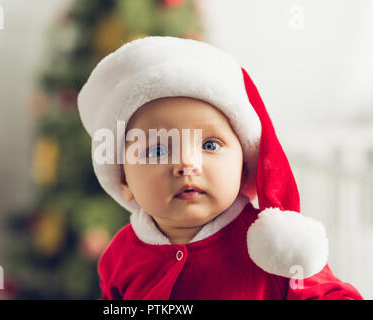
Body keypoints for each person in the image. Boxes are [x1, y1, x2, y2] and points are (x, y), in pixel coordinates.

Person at [77, 36, 363, 299]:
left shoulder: (274, 250)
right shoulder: (121, 256)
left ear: (243, 168)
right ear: (124, 179)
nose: (187, 164)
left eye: (210, 145)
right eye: (158, 150)